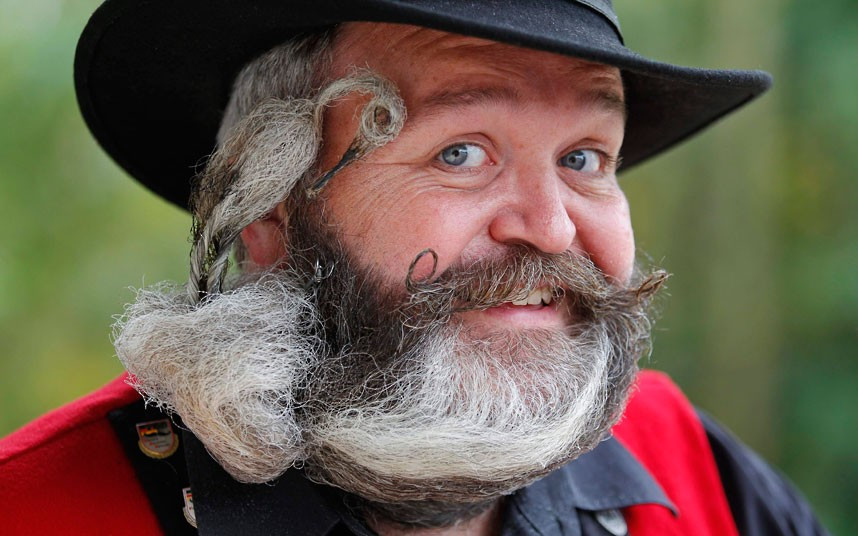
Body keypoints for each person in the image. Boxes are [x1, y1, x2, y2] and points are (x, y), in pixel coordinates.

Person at [0, 1, 830, 535]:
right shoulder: (41, 511)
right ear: (270, 210)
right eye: (462, 152)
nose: (548, 228)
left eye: (584, 156)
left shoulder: (687, 467)